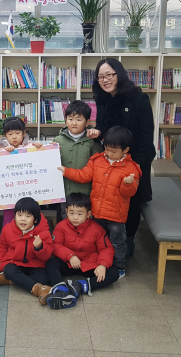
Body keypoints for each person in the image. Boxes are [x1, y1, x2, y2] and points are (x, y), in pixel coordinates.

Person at [86, 58, 155, 256]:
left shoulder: (139, 99)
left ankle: (128, 244)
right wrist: (97, 132)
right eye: (100, 77)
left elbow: (146, 135)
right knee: (111, 199)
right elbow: (103, 126)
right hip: (111, 158)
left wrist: (136, 167)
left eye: (109, 75)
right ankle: (109, 242)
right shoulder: (102, 98)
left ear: (119, 74)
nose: (105, 80)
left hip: (135, 158)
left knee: (131, 201)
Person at [59, 126, 141, 277]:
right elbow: (84, 175)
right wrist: (67, 172)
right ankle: (99, 263)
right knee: (97, 240)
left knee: (117, 242)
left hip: (116, 215)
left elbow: (129, 193)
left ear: (126, 150)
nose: (109, 153)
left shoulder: (131, 169)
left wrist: (127, 184)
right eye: (107, 149)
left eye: (113, 151)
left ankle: (119, 267)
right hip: (96, 212)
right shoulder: (97, 160)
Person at [45, 192, 119, 310]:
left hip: (89, 264)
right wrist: (70, 256)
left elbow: (106, 248)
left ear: (88, 214)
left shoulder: (97, 228)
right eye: (71, 213)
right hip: (69, 263)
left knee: (114, 273)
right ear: (66, 211)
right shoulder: (61, 227)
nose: (75, 217)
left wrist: (102, 265)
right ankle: (60, 289)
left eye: (80, 214)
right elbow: (55, 245)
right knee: (50, 263)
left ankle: (80, 286)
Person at [0, 197, 53, 306]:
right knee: (8, 270)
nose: (23, 219)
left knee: (45, 278)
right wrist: (0, 262)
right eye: (19, 215)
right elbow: (2, 246)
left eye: (28, 216)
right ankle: (38, 289)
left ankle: (10, 280)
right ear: (15, 216)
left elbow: (47, 255)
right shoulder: (8, 228)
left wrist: (39, 247)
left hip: (35, 265)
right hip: (14, 262)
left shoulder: (43, 232)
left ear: (35, 220)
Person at [53, 100, 103, 219]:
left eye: (79, 120)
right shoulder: (58, 140)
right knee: (65, 221)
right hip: (63, 192)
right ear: (65, 120)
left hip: (85, 192)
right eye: (70, 119)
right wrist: (47, 150)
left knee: (84, 221)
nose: (74, 123)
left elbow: (99, 167)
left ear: (87, 122)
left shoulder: (93, 142)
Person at [0, 117, 42, 227]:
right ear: (5, 135)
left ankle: (28, 237)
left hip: (27, 191)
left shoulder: (30, 146)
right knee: (9, 219)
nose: (14, 137)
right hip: (8, 192)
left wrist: (39, 148)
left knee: (27, 216)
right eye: (10, 134)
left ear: (24, 133)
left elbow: (41, 162)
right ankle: (7, 237)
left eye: (17, 133)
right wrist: (5, 152)